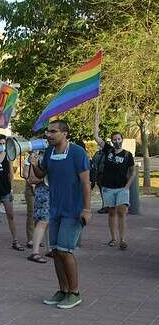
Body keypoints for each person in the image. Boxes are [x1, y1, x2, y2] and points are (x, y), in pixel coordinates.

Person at [30, 120, 91, 309]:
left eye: (53, 132)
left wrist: (87, 209)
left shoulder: (77, 152)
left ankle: (74, 292)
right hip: (54, 208)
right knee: (55, 251)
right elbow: (41, 174)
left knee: (65, 250)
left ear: (64, 134)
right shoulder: (49, 152)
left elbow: (85, 183)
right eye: (48, 131)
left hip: (73, 210)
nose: (48, 134)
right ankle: (63, 291)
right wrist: (34, 164)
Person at [93, 114, 135, 250]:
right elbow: (96, 138)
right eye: (114, 139)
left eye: (119, 138)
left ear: (122, 139)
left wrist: (127, 187)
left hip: (122, 188)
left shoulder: (128, 155)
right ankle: (113, 238)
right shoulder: (108, 150)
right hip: (108, 187)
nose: (117, 141)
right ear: (112, 141)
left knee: (122, 212)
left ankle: (123, 239)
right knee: (111, 212)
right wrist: (96, 125)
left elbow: (133, 171)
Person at [0, 135, 24, 251]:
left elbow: (11, 175)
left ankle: (15, 240)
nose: (2, 146)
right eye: (0, 144)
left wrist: (12, 190)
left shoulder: (8, 157)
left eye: (4, 144)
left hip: (6, 190)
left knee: (10, 215)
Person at [24, 150, 50, 263]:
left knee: (48, 222)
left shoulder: (53, 155)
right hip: (43, 193)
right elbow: (31, 179)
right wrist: (45, 178)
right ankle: (35, 252)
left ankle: (49, 249)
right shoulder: (37, 158)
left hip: (52, 193)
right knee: (42, 221)